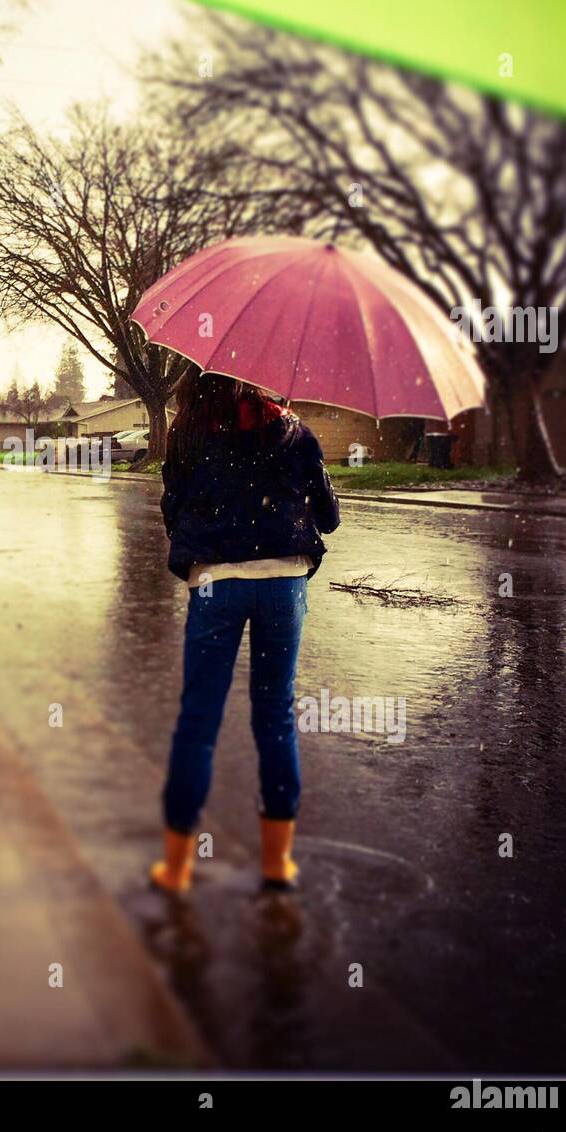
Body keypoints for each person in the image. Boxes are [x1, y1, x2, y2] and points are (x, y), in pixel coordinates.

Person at [152, 366, 340, 895]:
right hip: (283, 581)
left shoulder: (188, 431)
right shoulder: (293, 431)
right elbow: (328, 519)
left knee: (199, 718)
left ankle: (178, 866)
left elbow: (174, 505)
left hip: (214, 581)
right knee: (275, 714)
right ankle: (278, 862)